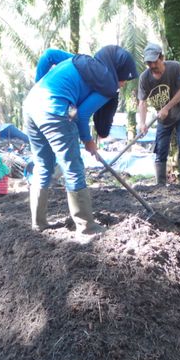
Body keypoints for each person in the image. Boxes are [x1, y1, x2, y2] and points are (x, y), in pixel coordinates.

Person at [24, 45, 138, 238]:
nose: (123, 84)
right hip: (54, 110)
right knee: (73, 168)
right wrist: (88, 141)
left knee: (44, 165)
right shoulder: (107, 83)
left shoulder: (81, 60)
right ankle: (86, 227)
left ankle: (39, 223)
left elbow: (49, 55)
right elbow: (82, 115)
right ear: (116, 70)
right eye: (124, 78)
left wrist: (39, 85)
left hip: (31, 105)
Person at [136, 42, 180, 189]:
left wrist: (167, 107)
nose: (152, 66)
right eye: (149, 63)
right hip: (163, 120)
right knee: (161, 149)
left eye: (154, 61)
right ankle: (160, 184)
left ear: (162, 57)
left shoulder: (174, 68)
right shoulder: (144, 78)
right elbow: (142, 102)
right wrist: (142, 123)